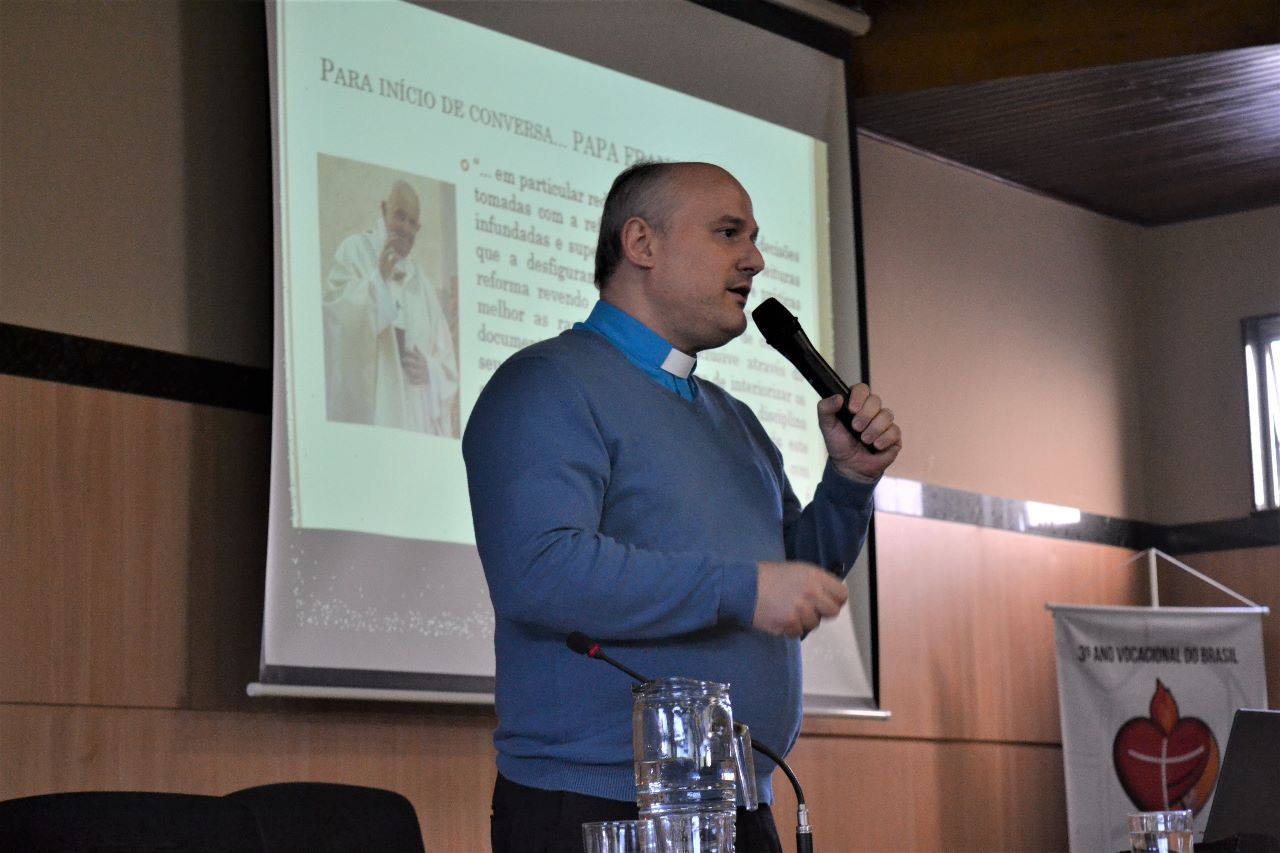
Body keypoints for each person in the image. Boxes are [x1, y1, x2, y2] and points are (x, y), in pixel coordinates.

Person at [463, 162, 902, 853]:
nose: (754, 259)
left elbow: (792, 591)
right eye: (729, 232)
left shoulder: (735, 419)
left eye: (754, 238)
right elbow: (541, 569)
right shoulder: (547, 384)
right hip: (599, 808)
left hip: (738, 803)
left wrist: (849, 480)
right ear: (641, 243)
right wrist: (743, 587)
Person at [323, 179, 458, 435]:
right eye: (400, 216)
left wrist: (430, 370)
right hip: (373, 423)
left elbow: (448, 365)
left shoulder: (423, 286)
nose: (406, 228)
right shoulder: (355, 251)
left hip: (416, 428)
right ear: (384, 209)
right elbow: (335, 324)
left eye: (413, 222)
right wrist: (376, 282)